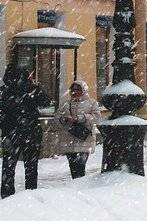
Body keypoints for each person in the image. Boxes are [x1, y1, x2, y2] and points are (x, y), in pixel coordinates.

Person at [1, 65, 49, 198]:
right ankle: (31, 194)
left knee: (8, 167)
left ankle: (7, 195)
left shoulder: (4, 91)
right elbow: (46, 101)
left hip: (11, 134)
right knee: (31, 167)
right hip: (30, 133)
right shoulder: (31, 89)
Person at [56, 80, 101, 179]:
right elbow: (57, 118)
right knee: (73, 167)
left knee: (81, 167)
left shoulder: (92, 103)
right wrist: (64, 119)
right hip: (68, 140)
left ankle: (80, 187)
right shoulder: (66, 103)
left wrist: (80, 118)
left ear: (83, 90)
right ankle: (75, 188)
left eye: (78, 89)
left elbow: (96, 118)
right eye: (73, 89)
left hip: (84, 140)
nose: (75, 92)